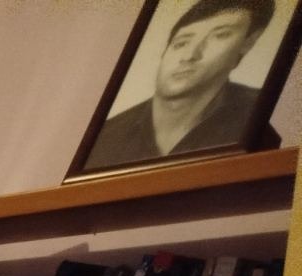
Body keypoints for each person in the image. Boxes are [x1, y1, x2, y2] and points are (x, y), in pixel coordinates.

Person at [87, 0, 275, 170]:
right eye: (181, 43)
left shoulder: (259, 116)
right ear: (164, 53)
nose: (189, 56)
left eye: (220, 35)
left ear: (248, 43)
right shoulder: (106, 137)